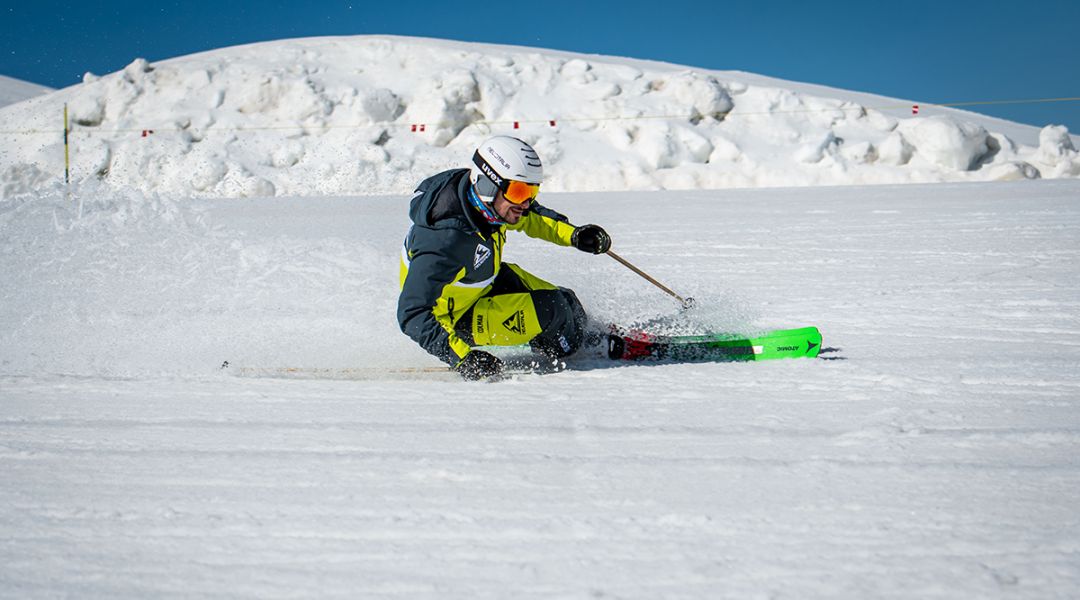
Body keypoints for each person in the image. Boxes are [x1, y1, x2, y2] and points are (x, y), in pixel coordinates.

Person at [397, 135, 611, 379]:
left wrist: (574, 235)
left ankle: (588, 335)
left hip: (480, 281)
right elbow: (412, 312)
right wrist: (462, 358)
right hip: (455, 317)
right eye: (520, 192)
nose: (526, 202)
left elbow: (531, 215)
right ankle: (578, 349)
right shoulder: (445, 242)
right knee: (553, 312)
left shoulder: (483, 202)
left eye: (532, 191)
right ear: (487, 184)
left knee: (566, 300)